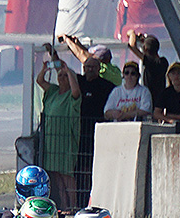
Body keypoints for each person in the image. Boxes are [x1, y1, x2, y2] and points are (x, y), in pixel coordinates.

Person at [61, 33, 120, 206]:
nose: (89, 70)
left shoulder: (106, 85)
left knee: (93, 168)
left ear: (99, 68)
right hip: (79, 132)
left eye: (93, 67)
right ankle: (79, 201)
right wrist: (55, 58)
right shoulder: (79, 81)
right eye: (87, 67)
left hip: (97, 131)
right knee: (79, 169)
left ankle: (94, 200)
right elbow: (64, 74)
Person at [35, 47, 80, 208]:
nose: (61, 78)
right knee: (57, 178)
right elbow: (40, 81)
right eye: (59, 76)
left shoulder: (72, 96)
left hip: (66, 142)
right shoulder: (53, 91)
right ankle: (64, 205)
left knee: (67, 176)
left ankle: (73, 205)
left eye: (65, 76)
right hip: (51, 142)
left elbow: (75, 90)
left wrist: (68, 72)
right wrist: (45, 69)